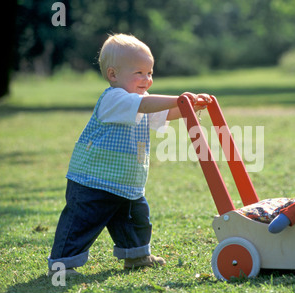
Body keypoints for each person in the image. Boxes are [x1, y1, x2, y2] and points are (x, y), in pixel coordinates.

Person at [48, 33, 210, 275]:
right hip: (93, 181)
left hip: (126, 182)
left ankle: (136, 255)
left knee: (136, 220)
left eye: (150, 72)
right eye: (139, 73)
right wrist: (179, 99)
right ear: (113, 74)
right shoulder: (114, 99)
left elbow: (163, 114)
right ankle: (62, 264)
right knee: (80, 223)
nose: (148, 79)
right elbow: (145, 106)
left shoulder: (140, 99)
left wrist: (190, 107)